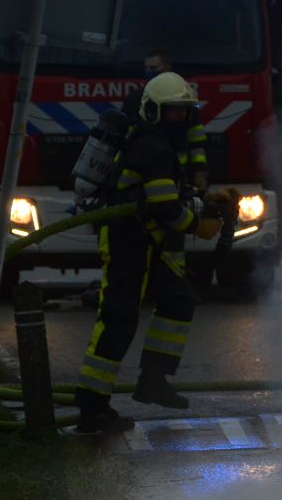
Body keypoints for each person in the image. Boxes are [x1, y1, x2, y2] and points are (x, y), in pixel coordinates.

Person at [74, 72, 229, 436]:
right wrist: (198, 225)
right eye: (172, 112)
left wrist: (204, 202)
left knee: (178, 300)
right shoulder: (151, 146)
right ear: (153, 111)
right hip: (128, 242)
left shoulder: (158, 143)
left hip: (147, 241)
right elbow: (164, 207)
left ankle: (153, 380)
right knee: (118, 318)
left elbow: (167, 194)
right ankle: (91, 407)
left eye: (183, 112)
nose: (180, 118)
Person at [121, 50, 209, 190]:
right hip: (147, 173)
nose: (149, 71)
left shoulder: (185, 99)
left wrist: (200, 172)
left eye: (154, 68)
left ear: (167, 68)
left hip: (180, 173)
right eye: (146, 68)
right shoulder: (134, 99)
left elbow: (197, 142)